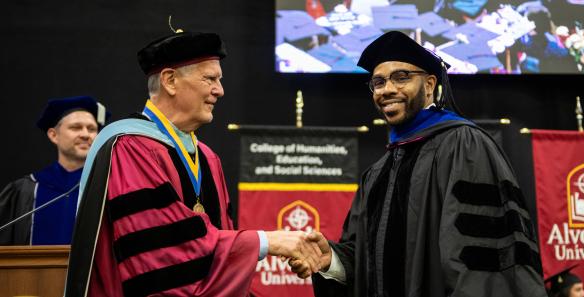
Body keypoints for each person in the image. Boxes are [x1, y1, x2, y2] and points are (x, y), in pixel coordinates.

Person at [63, 30, 323, 296]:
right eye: (210, 78)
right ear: (170, 80)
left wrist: (262, 246)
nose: (220, 91)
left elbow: (217, 259)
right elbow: (163, 255)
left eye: (220, 80)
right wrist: (266, 241)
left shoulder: (207, 158)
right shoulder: (131, 148)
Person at [294, 31, 546, 296]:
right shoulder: (377, 173)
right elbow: (367, 262)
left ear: (429, 85)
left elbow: (482, 259)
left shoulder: (464, 145)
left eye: (401, 78)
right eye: (378, 82)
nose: (387, 89)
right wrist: (331, 261)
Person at [0, 96, 108, 245]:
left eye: (92, 129)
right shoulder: (26, 189)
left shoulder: (107, 187)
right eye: (76, 127)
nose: (85, 134)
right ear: (53, 135)